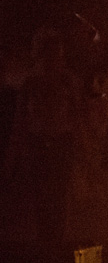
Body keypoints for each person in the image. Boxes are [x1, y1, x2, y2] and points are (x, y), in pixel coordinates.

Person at [3, 26, 88, 244]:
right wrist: (10, 161)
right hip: (37, 145)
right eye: (48, 55)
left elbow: (76, 119)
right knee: (40, 199)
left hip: (61, 144)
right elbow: (20, 123)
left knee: (60, 198)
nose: (53, 61)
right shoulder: (30, 84)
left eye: (56, 56)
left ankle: (56, 246)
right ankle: (45, 248)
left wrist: (83, 152)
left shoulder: (67, 82)